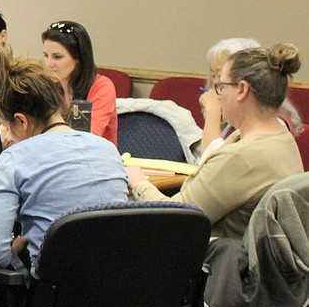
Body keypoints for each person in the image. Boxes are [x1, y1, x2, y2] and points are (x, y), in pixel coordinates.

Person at [0, 46, 128, 272]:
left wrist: (17, 254)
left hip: (56, 297)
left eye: (7, 127)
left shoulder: (14, 159)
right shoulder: (108, 149)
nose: (8, 136)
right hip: (121, 287)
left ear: (21, 121)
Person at [129, 44, 303, 239]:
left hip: (214, 262)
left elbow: (174, 219)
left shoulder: (241, 157)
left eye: (221, 87)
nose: (218, 95)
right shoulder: (281, 137)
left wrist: (139, 182)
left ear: (242, 90)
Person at [200, 37, 302, 158]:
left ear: (243, 88)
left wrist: (213, 110)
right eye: (214, 75)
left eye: (221, 75)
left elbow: (213, 166)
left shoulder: (268, 127)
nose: (215, 84)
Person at [41, 20, 117, 145]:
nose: (48, 64)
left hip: (93, 160)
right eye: (45, 55)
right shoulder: (46, 85)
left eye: (57, 57)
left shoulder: (102, 87)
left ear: (78, 58)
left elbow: (85, 140)